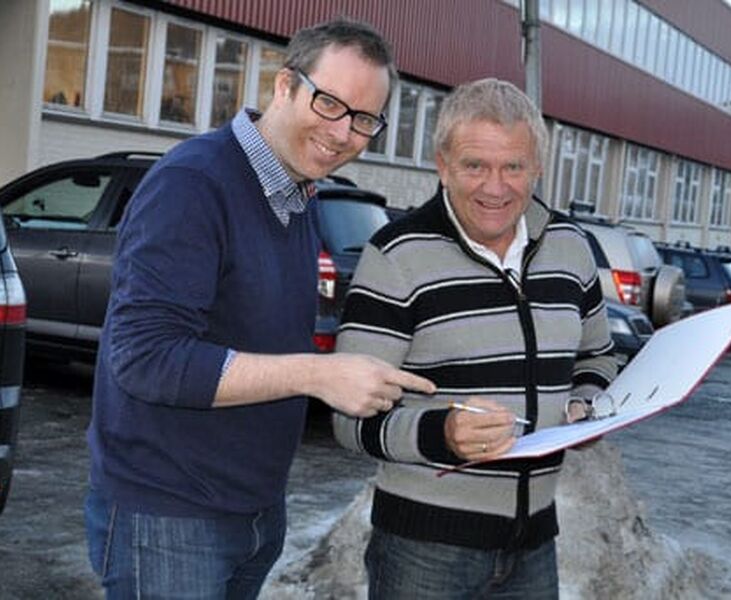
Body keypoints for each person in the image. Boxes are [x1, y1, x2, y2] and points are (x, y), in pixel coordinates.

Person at [84, 18, 434, 599]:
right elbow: (146, 358)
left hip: (253, 509)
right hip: (170, 518)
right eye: (329, 104)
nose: (343, 132)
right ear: (283, 87)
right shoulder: (194, 184)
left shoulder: (297, 194)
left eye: (364, 119)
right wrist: (318, 375)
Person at [333, 78, 619, 599]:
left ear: (537, 167)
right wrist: (441, 433)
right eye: (474, 166)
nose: (496, 187)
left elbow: (597, 358)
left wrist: (587, 404)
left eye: (514, 166)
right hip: (423, 551)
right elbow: (349, 421)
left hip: (535, 547)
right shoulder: (395, 256)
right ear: (442, 164)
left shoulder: (572, 248)